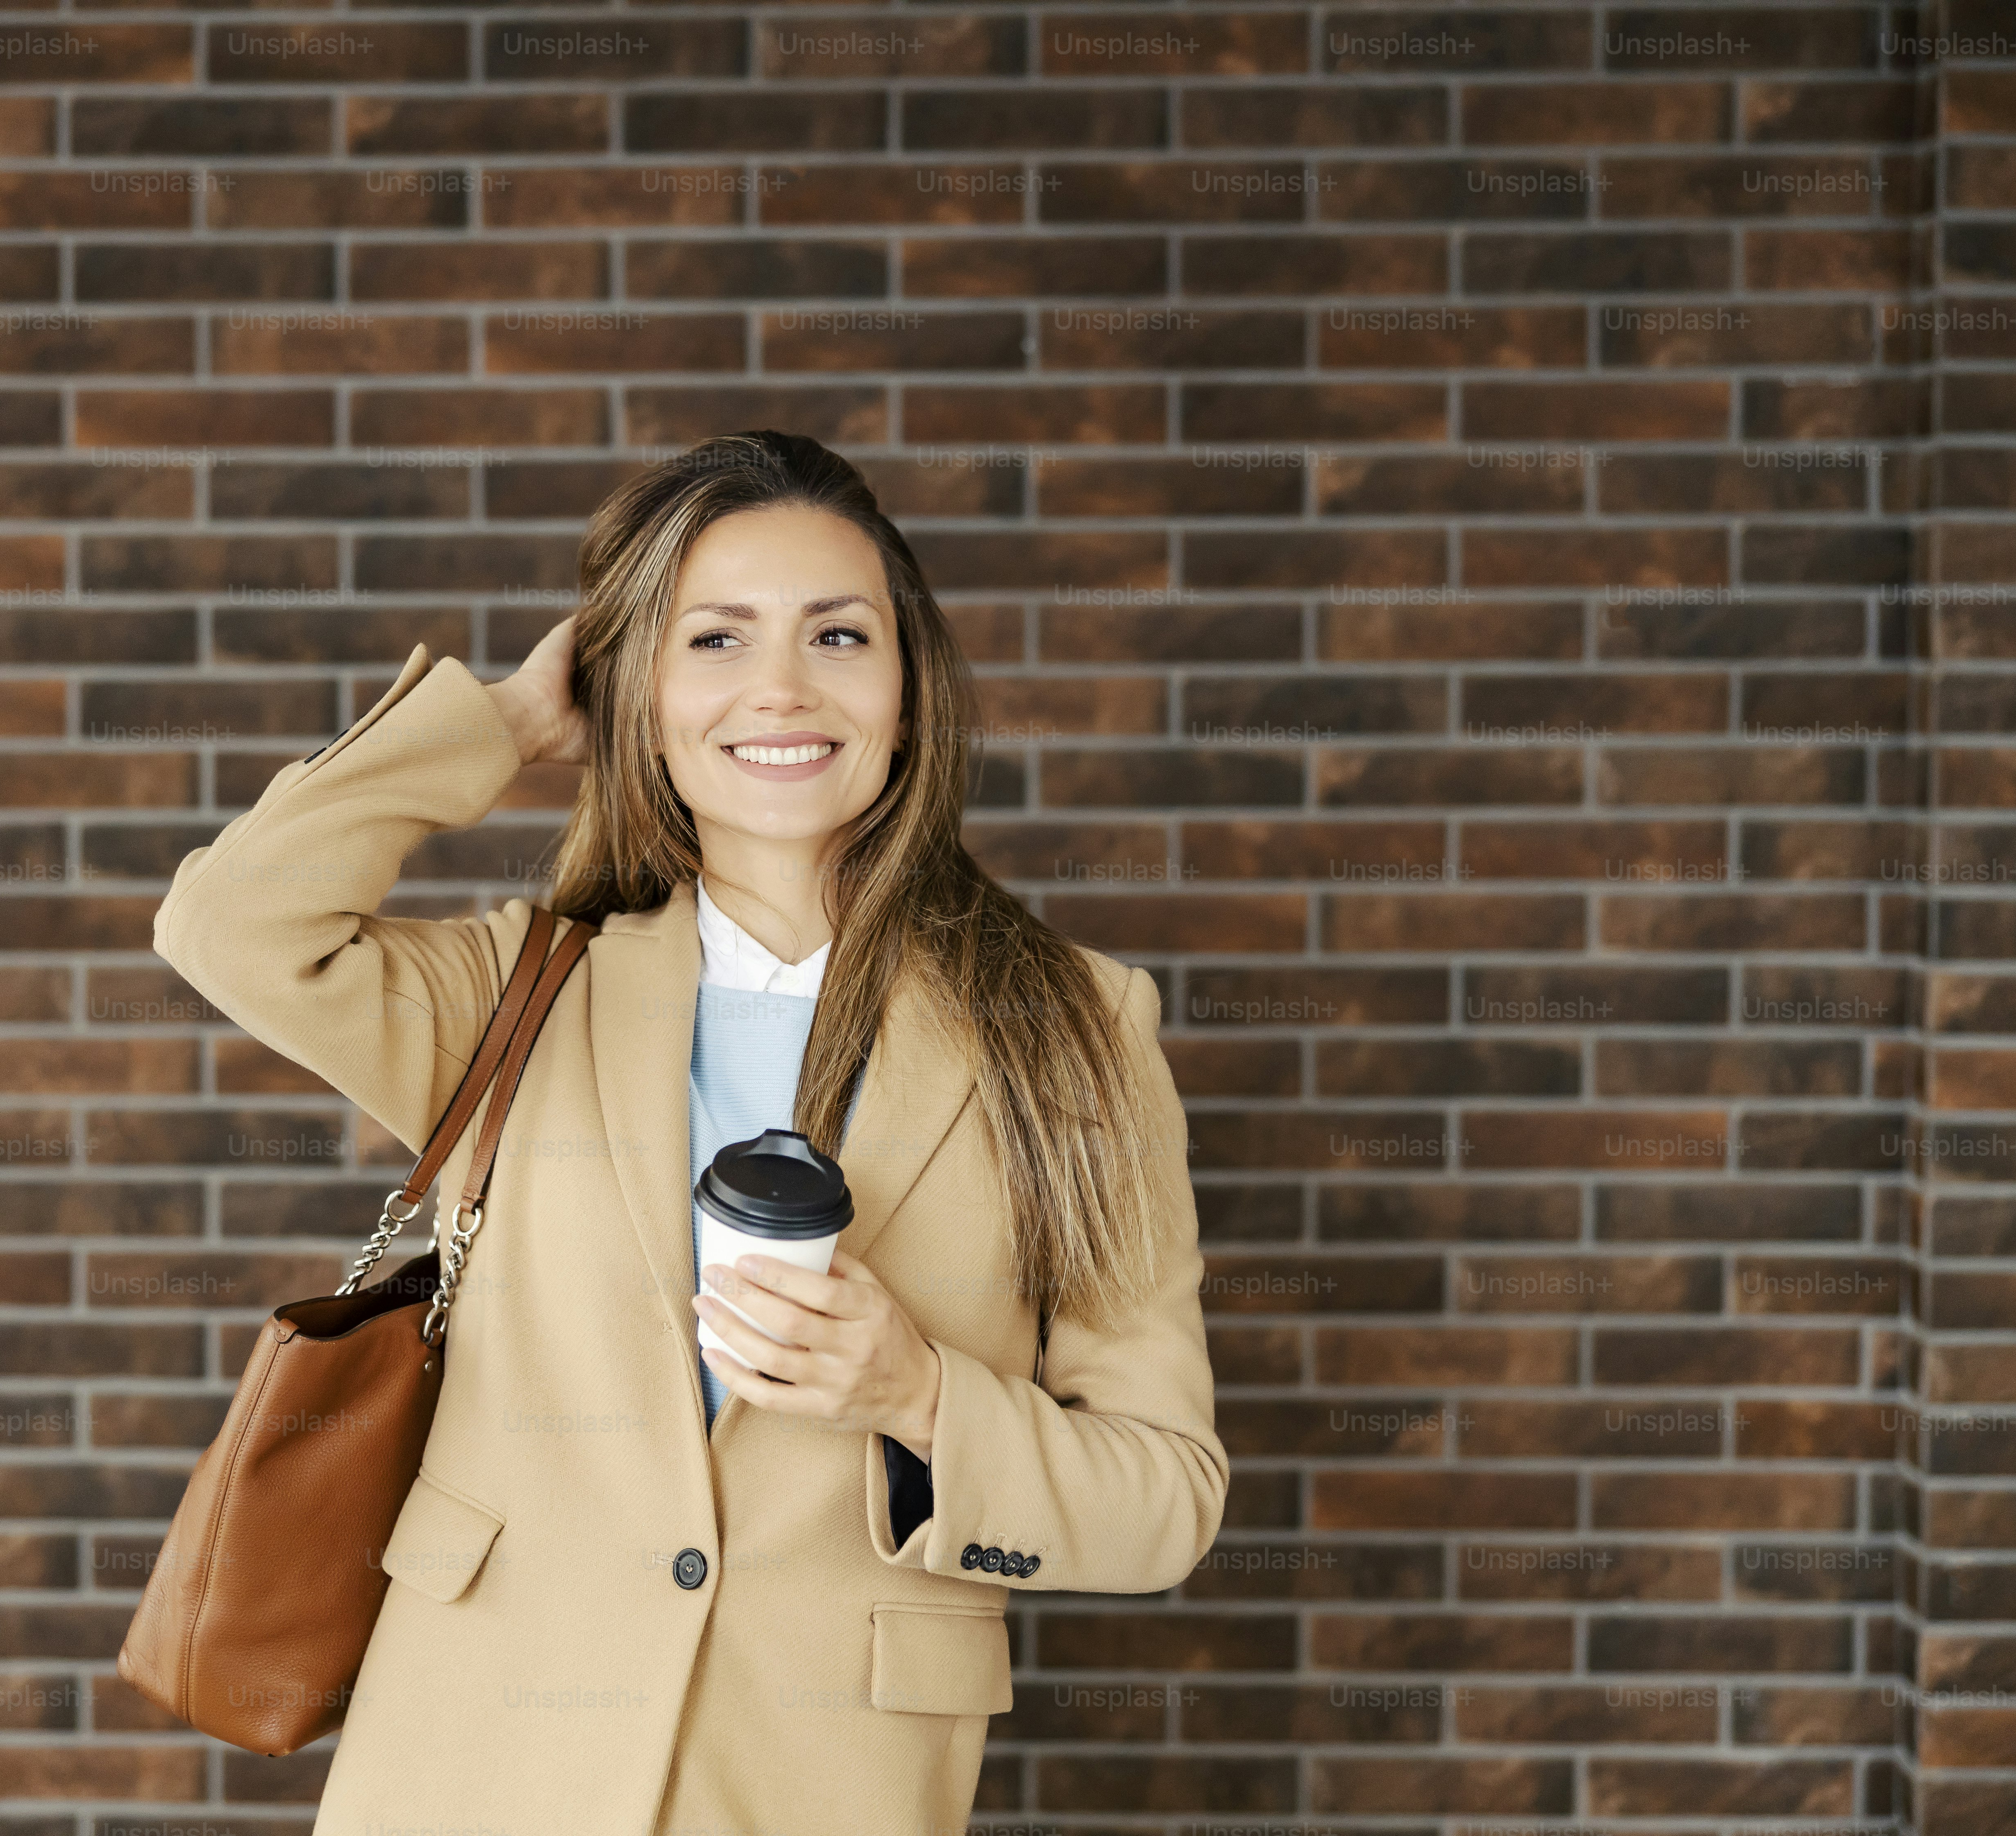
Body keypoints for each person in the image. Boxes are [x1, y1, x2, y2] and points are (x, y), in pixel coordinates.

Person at [151, 431, 1226, 1836]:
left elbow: (1164, 1497)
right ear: (637, 692)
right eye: (713, 640)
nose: (782, 686)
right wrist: (507, 723)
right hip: (480, 1769)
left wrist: (918, 1396)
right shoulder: (521, 995)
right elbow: (230, 925)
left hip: (819, 1790)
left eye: (839, 635)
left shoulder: (1077, 1029)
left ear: (910, 692)